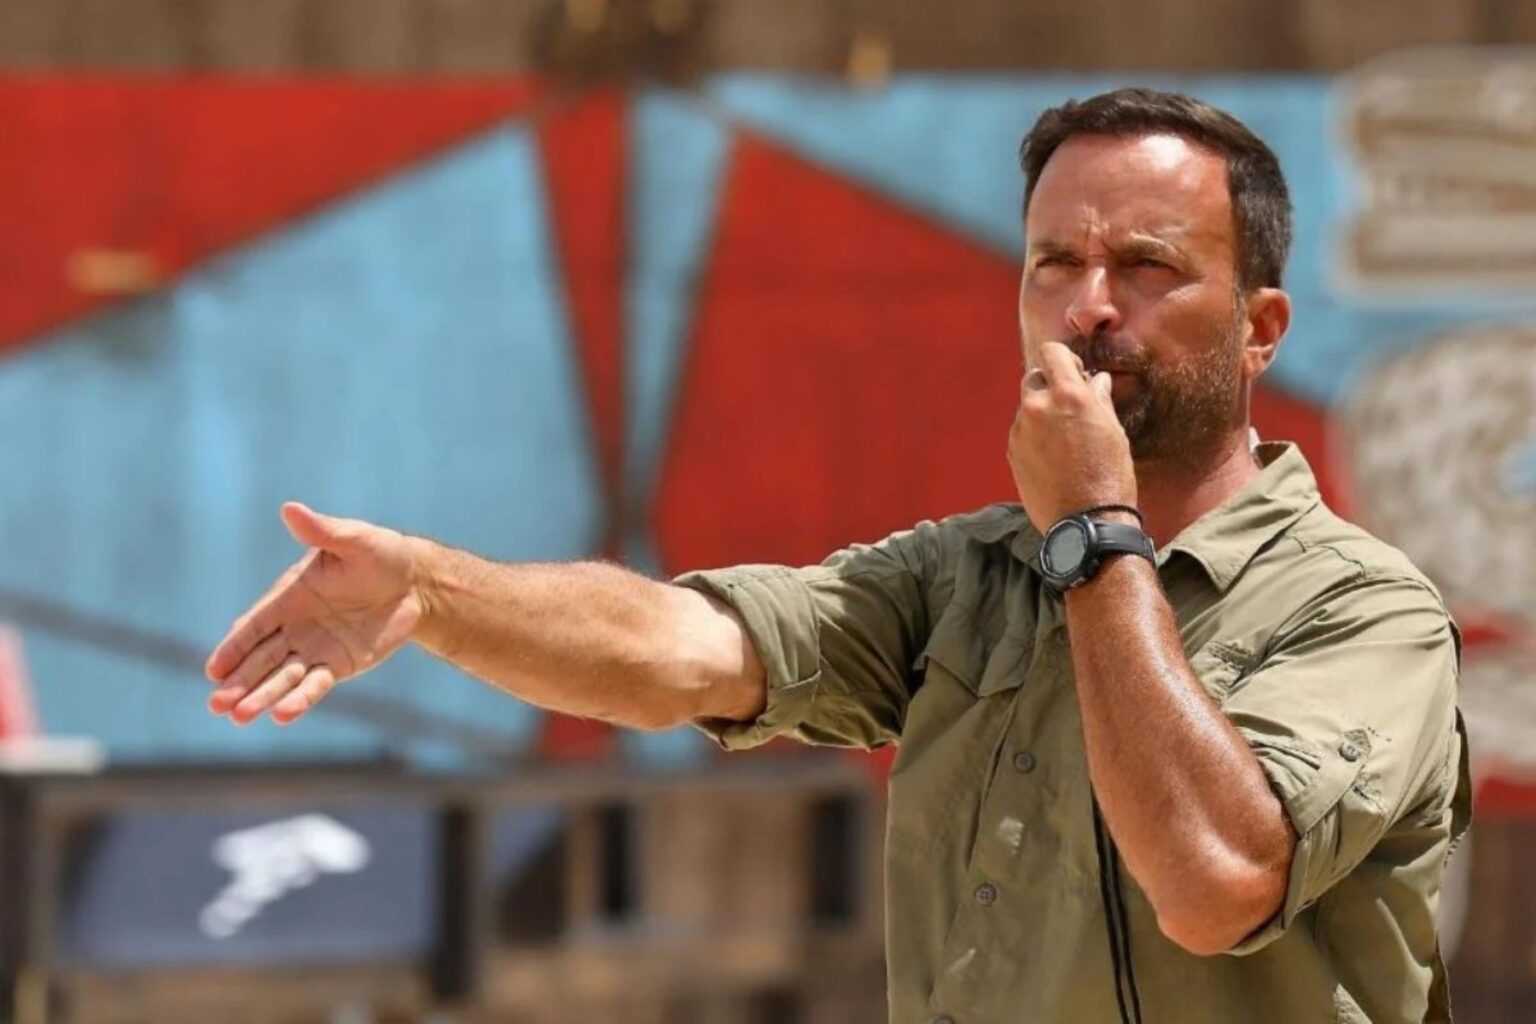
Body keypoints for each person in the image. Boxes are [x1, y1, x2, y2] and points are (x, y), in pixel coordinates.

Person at [205, 88, 1470, 1024]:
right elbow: (681, 650)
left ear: (1259, 330)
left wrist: (1094, 534)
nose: (1089, 307)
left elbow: (1217, 880)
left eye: (1147, 267)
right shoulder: (966, 577)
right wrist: (434, 593)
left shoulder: (1365, 611)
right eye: (1054, 264)